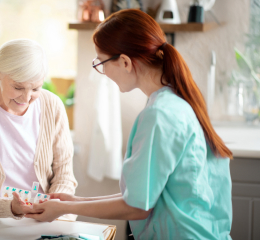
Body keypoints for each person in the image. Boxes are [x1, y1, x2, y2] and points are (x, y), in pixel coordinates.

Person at [26, 9, 233, 240]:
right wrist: (74, 201)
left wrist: (66, 208)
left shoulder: (159, 115)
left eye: (102, 63)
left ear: (125, 61)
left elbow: (137, 206)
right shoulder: (177, 101)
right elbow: (138, 197)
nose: (103, 72)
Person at [0, 39, 77, 219]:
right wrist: (11, 208)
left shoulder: (53, 106)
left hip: (47, 221)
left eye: (35, 88)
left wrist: (52, 207)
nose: (26, 97)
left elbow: (64, 175)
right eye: (18, 87)